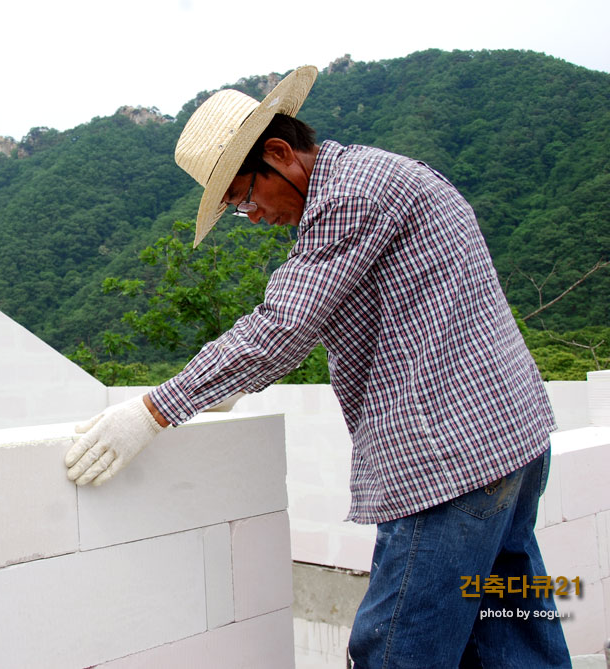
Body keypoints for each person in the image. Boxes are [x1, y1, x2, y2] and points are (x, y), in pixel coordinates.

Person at [64, 65, 572, 667]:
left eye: (244, 197)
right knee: (511, 636)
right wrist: (227, 384)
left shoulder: (348, 197)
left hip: (450, 461)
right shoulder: (377, 172)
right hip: (511, 439)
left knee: (396, 650)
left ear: (279, 153)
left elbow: (283, 327)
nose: (253, 215)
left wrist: (154, 410)